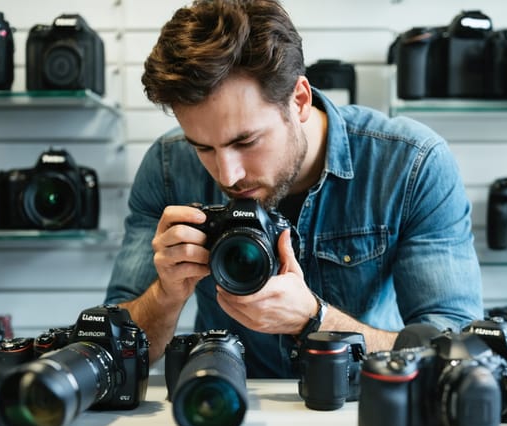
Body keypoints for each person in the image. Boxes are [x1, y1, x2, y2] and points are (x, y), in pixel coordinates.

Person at [105, 0, 483, 378]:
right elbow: (110, 355)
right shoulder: (168, 167)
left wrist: (315, 319)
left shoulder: (411, 164)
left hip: (362, 408)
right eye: (203, 147)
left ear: (299, 99)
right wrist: (166, 296)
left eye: (246, 141)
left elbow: (460, 352)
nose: (228, 174)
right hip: (223, 407)